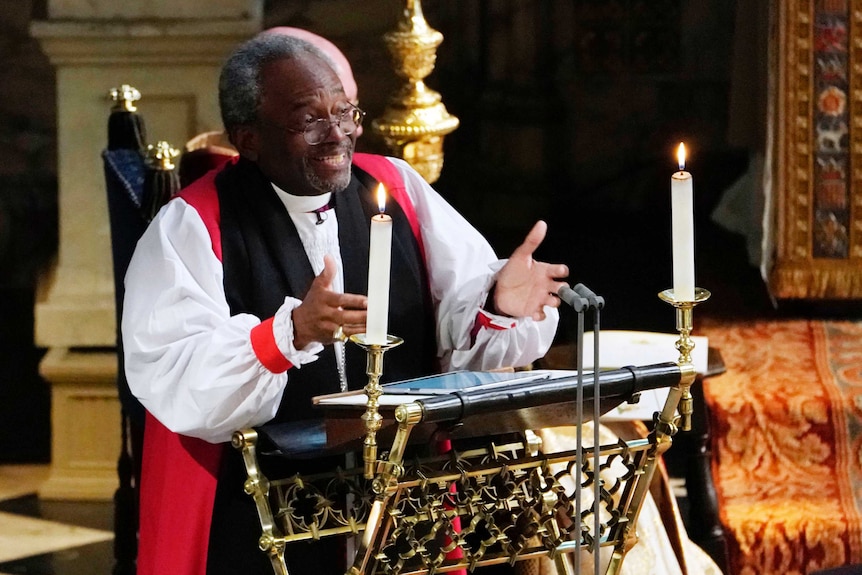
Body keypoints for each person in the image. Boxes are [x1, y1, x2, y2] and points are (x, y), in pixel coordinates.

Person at [122, 32, 567, 575]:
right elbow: (173, 374)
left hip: (400, 500)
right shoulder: (193, 223)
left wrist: (500, 304)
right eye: (309, 119)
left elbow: (458, 331)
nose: (338, 134)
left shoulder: (394, 187)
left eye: (345, 112)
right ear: (249, 138)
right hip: (259, 514)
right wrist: (286, 336)